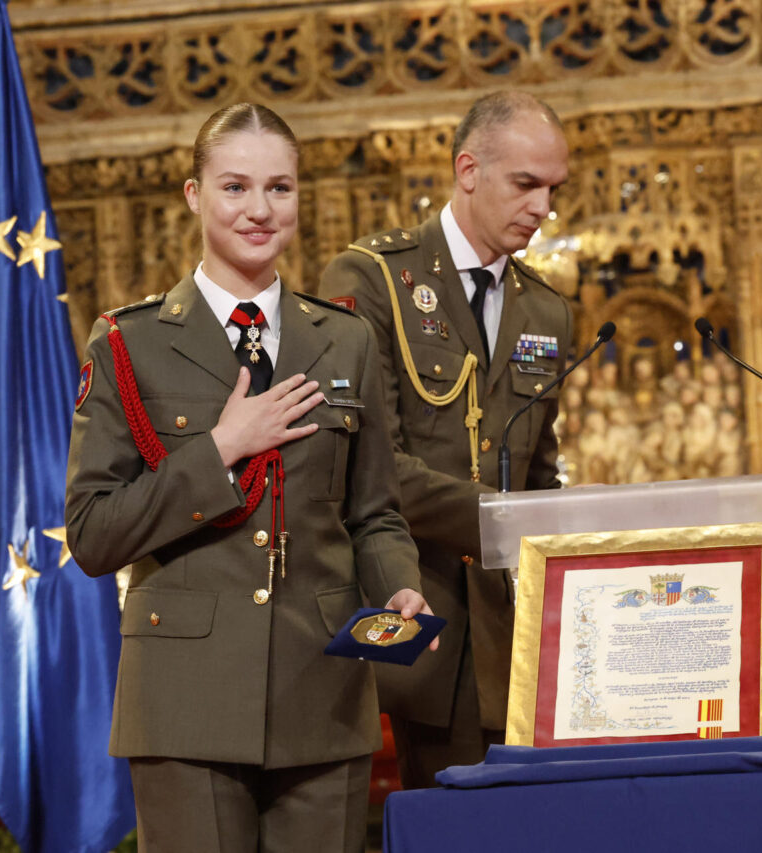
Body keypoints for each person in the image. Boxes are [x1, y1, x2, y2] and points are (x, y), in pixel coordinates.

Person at [66, 102, 435, 852]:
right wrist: (220, 449)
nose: (260, 210)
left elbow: (375, 514)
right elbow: (93, 533)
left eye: (280, 189)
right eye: (235, 187)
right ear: (195, 195)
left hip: (323, 691)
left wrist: (398, 581)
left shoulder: (346, 340)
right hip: (183, 700)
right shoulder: (129, 343)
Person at [318, 91, 573, 788]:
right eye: (526, 184)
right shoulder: (373, 279)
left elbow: (540, 469)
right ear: (468, 169)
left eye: (554, 188)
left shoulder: (547, 308)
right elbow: (367, 466)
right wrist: (508, 517)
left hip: (515, 627)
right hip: (415, 607)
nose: (543, 206)